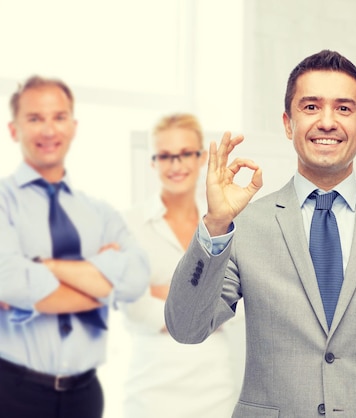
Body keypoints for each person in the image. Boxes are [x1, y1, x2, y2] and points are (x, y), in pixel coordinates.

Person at [164, 50, 356, 417]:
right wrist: (215, 225)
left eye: (343, 108)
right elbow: (186, 327)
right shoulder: (245, 225)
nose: (327, 122)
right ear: (288, 124)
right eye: (310, 107)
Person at [0, 75, 150, 418]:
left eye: (59, 117)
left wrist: (44, 266)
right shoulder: (3, 202)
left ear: (74, 125)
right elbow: (8, 281)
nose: (49, 130)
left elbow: (137, 278)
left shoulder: (99, 212)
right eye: (35, 118)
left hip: (85, 395)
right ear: (13, 129)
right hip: (12, 392)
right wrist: (101, 278)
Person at [121, 113, 236, 417]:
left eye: (186, 154)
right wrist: (202, 299)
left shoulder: (225, 221)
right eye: (166, 156)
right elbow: (133, 305)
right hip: (151, 383)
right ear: (153, 162)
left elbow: (238, 299)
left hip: (213, 383)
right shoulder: (130, 224)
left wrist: (169, 293)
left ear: (200, 158)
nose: (176, 165)